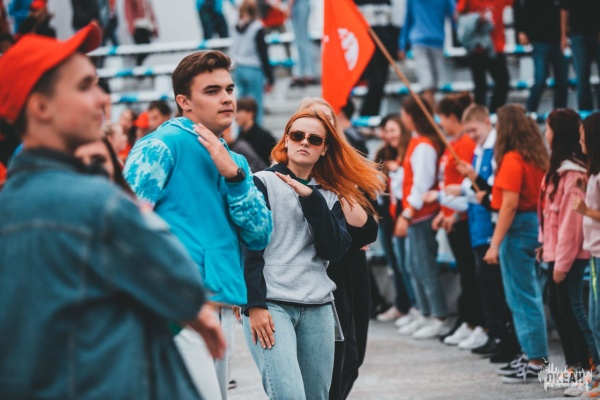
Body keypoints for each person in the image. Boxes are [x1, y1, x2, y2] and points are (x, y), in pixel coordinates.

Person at [0, 23, 225, 399]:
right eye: (85, 86)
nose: (103, 99)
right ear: (40, 107)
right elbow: (182, 284)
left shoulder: (10, 204)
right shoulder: (96, 203)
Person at [124, 50, 272, 400]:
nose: (227, 98)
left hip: (220, 303)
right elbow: (124, 227)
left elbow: (260, 234)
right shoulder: (160, 146)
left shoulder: (236, 161)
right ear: (184, 102)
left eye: (229, 89)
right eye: (212, 90)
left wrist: (235, 178)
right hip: (175, 307)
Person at [243, 107, 382, 399]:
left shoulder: (329, 193)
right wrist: (253, 305)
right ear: (286, 140)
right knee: (289, 394)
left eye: (314, 139)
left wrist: (312, 198)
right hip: (272, 304)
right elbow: (249, 247)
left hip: (318, 306)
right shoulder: (261, 182)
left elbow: (335, 249)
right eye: (297, 135)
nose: (305, 142)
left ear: (324, 148)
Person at [294, 97, 385, 400]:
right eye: (312, 119)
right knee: (330, 359)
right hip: (313, 272)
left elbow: (367, 229)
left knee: (353, 358)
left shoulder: (347, 170)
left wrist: (339, 184)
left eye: (327, 120)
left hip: (351, 266)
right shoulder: (292, 171)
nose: (320, 126)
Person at [446, 104, 518, 363]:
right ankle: (496, 334)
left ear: (487, 122)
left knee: (494, 287)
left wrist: (472, 181)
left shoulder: (496, 150)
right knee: (486, 286)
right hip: (478, 227)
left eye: (474, 130)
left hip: (490, 228)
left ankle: (505, 338)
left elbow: (492, 193)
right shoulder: (479, 151)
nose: (471, 135)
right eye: (468, 131)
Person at [483, 104, 550, 383]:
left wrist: (494, 244)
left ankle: (536, 359)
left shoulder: (512, 158)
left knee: (521, 297)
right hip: (533, 222)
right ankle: (531, 353)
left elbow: (509, 205)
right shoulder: (535, 156)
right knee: (526, 295)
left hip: (519, 226)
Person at [539, 109, 599, 397]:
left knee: (575, 310)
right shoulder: (560, 171)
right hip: (556, 253)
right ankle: (576, 367)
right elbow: (550, 218)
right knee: (560, 308)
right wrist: (544, 245)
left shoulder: (572, 173)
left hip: (571, 256)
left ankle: (590, 370)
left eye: (549, 128)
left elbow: (570, 226)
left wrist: (561, 263)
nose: (545, 134)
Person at [424, 93, 486, 350]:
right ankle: (468, 320)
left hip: (463, 218)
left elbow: (466, 186)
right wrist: (444, 212)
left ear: (451, 117)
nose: (440, 123)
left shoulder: (465, 144)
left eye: (442, 118)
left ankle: (477, 322)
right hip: (452, 217)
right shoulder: (454, 142)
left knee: (470, 275)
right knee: (465, 274)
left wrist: (455, 213)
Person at [395, 95, 448, 339]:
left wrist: (407, 212)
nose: (402, 117)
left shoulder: (424, 145)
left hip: (421, 215)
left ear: (411, 116)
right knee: (413, 266)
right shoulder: (416, 141)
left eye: (404, 113)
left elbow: (422, 183)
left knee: (425, 267)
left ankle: (439, 316)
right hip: (415, 214)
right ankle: (425, 312)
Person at [374, 114, 415, 325]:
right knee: (395, 263)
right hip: (386, 215)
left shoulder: (411, 152)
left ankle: (414, 306)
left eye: (392, 130)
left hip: (405, 214)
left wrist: (398, 170)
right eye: (386, 131)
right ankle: (402, 305)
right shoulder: (382, 153)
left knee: (408, 264)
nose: (388, 135)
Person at [574, 112, 600, 397]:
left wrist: (586, 210)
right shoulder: (593, 174)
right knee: (594, 318)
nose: (580, 140)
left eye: (583, 135)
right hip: (595, 254)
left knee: (597, 318)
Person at [457, 0, 512, 113]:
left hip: (495, 47)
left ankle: (494, 113)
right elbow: (458, 14)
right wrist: (474, 19)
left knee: (503, 81)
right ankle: (482, 116)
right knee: (480, 86)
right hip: (476, 47)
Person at [399, 0, 456, 109]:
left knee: (432, 85)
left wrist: (402, 45)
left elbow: (407, 20)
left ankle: (433, 114)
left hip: (429, 42)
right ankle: (432, 115)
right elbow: (454, 17)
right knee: (430, 85)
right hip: (430, 42)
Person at [514, 0, 568, 113]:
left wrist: (565, 35)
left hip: (557, 39)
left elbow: (565, 8)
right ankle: (529, 113)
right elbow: (520, 8)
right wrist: (522, 31)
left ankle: (560, 115)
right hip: (540, 39)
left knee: (562, 81)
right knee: (540, 79)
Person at [230, 0, 274, 125]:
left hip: (239, 68)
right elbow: (263, 54)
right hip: (253, 68)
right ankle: (255, 130)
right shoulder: (257, 27)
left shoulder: (235, 26)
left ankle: (241, 129)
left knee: (241, 105)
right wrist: (270, 77)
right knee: (255, 105)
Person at [354, 0, 399, 116]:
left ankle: (373, 114)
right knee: (375, 81)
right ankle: (366, 114)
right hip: (366, 43)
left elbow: (391, 21)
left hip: (385, 43)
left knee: (381, 82)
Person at [560, 1, 600, 111]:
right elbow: (564, 9)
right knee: (582, 79)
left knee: (582, 79)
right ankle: (585, 116)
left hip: (595, 32)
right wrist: (563, 36)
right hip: (578, 34)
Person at [235, 96, 276, 166]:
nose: (235, 116)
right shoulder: (240, 136)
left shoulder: (265, 137)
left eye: (238, 112)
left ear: (250, 113)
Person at [288, 0, 318, 87]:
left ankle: (307, 73)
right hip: (300, 4)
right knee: (301, 41)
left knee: (301, 41)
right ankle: (303, 72)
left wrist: (289, 6)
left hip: (298, 4)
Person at [124, 0, 158, 66]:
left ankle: (138, 65)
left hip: (147, 26)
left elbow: (149, 10)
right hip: (138, 26)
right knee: (141, 49)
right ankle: (137, 65)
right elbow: (128, 10)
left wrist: (154, 26)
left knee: (147, 48)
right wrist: (131, 25)